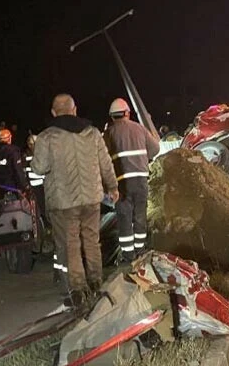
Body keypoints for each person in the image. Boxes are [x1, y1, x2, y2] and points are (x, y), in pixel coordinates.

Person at [32, 94, 118, 306]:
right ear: (75, 109)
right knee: (92, 240)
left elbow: (39, 168)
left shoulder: (46, 137)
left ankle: (78, 289)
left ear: (54, 112)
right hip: (91, 198)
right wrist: (113, 186)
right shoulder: (93, 132)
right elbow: (106, 162)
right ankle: (96, 281)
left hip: (63, 201)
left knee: (71, 244)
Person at [103, 98, 160, 263]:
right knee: (140, 215)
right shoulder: (139, 128)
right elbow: (155, 149)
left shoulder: (109, 133)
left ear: (112, 116)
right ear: (127, 113)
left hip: (121, 182)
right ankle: (140, 250)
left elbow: (102, 158)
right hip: (141, 179)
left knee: (125, 217)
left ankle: (128, 255)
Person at [0, 129, 28, 199]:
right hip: (12, 189)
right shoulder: (13, 151)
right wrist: (24, 186)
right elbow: (18, 170)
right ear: (9, 138)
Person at [24, 135, 48, 228]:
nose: (31, 146)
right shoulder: (26, 155)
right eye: (30, 144)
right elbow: (25, 170)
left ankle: (46, 224)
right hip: (35, 185)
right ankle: (43, 224)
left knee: (45, 206)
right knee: (39, 206)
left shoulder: (43, 153)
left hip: (43, 184)